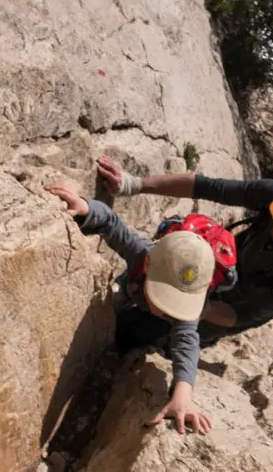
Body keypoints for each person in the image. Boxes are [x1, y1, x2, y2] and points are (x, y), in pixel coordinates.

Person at [94, 156, 273, 343]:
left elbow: (242, 314)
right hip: (223, 262)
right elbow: (207, 186)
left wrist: (191, 307)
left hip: (234, 303)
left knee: (140, 333)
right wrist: (133, 184)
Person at [45, 182, 214, 435]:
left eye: (177, 302)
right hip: (131, 292)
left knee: (135, 333)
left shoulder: (180, 311)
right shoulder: (142, 253)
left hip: (143, 310)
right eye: (166, 297)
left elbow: (187, 341)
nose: (170, 309)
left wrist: (182, 395)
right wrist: (86, 207)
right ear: (147, 265)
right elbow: (112, 224)